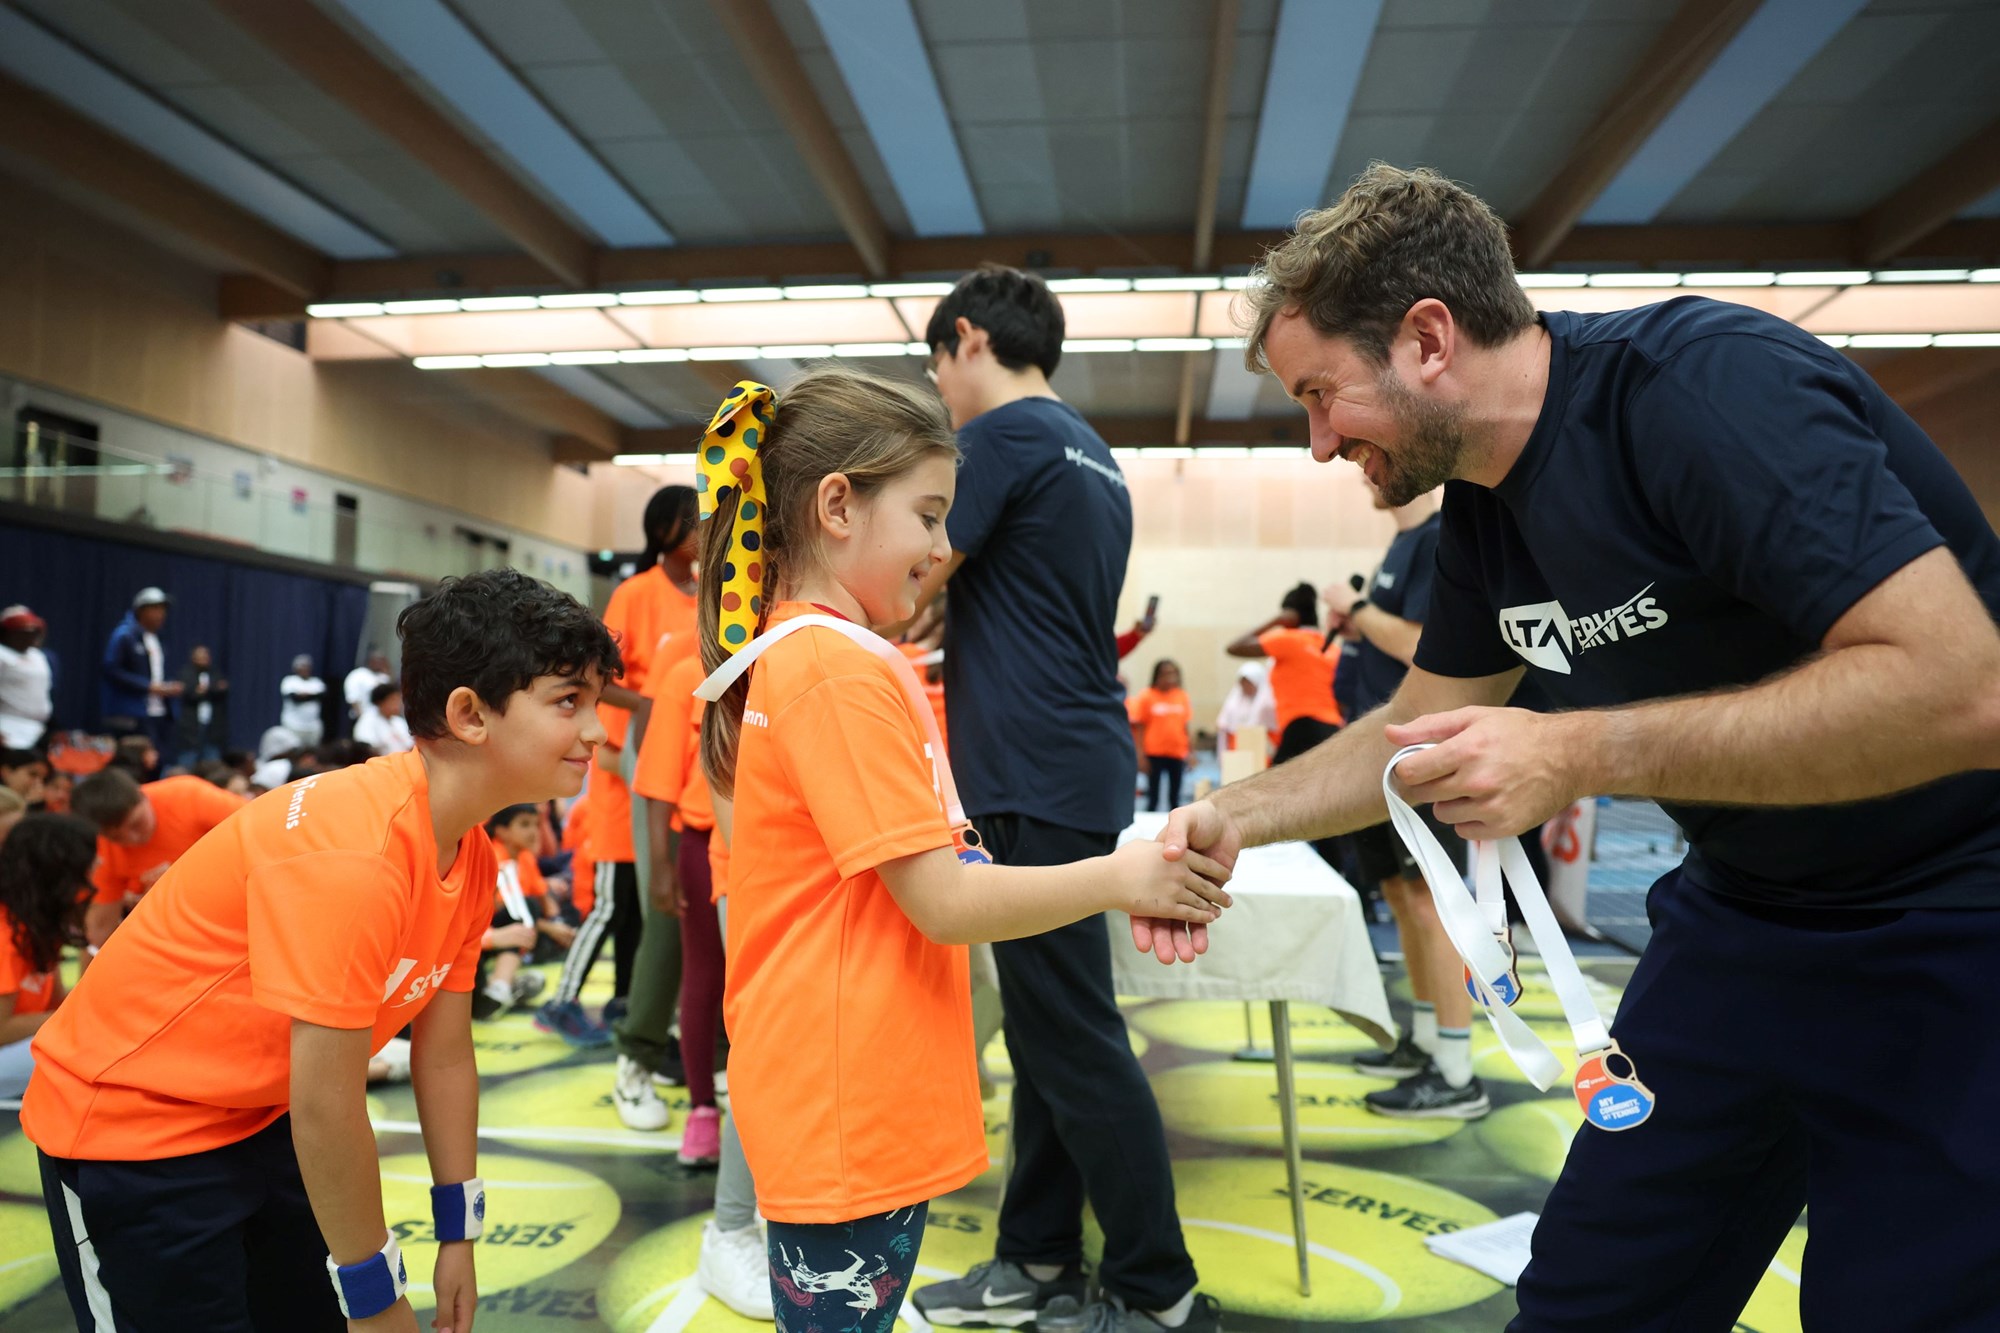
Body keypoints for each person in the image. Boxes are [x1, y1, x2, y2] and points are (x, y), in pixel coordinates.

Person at [1160, 163, 2000, 1331]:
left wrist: (1577, 749)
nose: (1312, 444)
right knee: (1586, 1297)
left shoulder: (1700, 392)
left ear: (1427, 338)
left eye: (1320, 395)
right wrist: (1230, 819)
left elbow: (1960, 687)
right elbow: (1409, 735)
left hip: (1956, 917)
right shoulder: (1483, 518)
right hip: (1744, 918)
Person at [692, 369, 1228, 1333]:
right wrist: (1119, 875)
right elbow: (940, 897)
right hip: (845, 1084)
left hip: (839, 1076)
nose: (945, 547)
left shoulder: (803, 655)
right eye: (929, 515)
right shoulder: (832, 669)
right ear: (839, 505)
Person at [23, 567, 621, 1331]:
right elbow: (328, 1100)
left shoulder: (467, 851)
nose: (597, 729)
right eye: (570, 701)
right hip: (131, 1133)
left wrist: (458, 1232)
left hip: (257, 1114)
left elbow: (443, 1056)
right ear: (470, 714)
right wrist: (374, 1299)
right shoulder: (357, 853)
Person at [906, 267, 1217, 1333]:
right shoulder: (1095, 454)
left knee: (1071, 1034)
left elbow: (914, 576)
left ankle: (1154, 1288)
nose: (939, 387)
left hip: (1028, 763)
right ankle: (1035, 1257)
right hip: (1076, 754)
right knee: (1048, 1033)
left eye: (935, 365)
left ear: (964, 340)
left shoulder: (995, 440)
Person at [1313, 486, 1488, 1117]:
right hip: (1376, 758)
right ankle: (1423, 1040)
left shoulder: (1437, 536)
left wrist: (1356, 608)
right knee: (1398, 895)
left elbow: (1417, 644)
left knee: (1430, 902)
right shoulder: (1402, 542)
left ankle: (1456, 1067)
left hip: (1416, 755)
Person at [537, 485, 699, 1050]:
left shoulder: (710, 598)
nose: (704, 531)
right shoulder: (636, 593)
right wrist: (652, 706)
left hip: (677, 772)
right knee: (611, 903)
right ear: (665, 533)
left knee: (648, 909)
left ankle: (630, 1004)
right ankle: (560, 1003)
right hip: (623, 766)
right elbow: (599, 674)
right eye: (693, 522)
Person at [631, 650, 718, 1144]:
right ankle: (702, 1109)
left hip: (779, 846)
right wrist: (660, 864)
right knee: (703, 977)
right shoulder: (686, 674)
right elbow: (660, 778)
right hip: (703, 844)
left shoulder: (791, 658)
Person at [71, 764, 249, 951]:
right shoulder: (105, 850)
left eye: (136, 824)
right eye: (117, 837)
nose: (133, 838)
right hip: (188, 931)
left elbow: (264, 827)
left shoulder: (189, 796)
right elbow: (100, 928)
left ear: (143, 796)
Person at [0, 814, 94, 1100]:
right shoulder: (7, 933)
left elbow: (57, 1000)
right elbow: (1, 1029)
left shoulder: (36, 918)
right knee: (85, 1044)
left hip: (22, 1044)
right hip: (8, 1048)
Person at [1227, 582, 1342, 762]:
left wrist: (1276, 620)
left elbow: (1234, 647)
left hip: (1301, 726)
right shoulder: (1331, 647)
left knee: (1272, 787)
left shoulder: (1287, 639)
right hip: (1333, 729)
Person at [475, 804, 553, 1019]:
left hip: (476, 937)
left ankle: (500, 988)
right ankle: (502, 988)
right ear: (501, 831)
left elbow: (546, 906)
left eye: (537, 825)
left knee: (527, 916)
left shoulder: (523, 857)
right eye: (525, 825)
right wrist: (493, 938)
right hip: (466, 943)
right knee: (525, 918)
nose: (534, 832)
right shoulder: (489, 854)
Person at [101, 587, 180, 763]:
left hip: (158, 713)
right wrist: (148, 686)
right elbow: (111, 670)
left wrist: (168, 687)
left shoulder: (158, 639)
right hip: (132, 714)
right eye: (155, 608)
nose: (161, 614)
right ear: (140, 610)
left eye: (163, 609)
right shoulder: (124, 635)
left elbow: (157, 674)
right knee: (134, 763)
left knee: (157, 762)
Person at [1128, 660, 1192, 813]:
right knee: (1153, 796)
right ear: (1157, 675)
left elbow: (1186, 726)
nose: (1170, 677)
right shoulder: (1147, 696)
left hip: (1176, 752)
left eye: (1173, 673)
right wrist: (1140, 755)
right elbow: (1140, 727)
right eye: (1166, 673)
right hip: (1154, 752)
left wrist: (1191, 752)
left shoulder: (1181, 696)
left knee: (1175, 797)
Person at [0, 606, 53, 750]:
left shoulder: (39, 656)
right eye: (25, 631)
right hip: (7, 726)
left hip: (38, 729)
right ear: (8, 633)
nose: (31, 636)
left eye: (34, 631)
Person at [174, 645, 230, 770]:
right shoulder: (185, 673)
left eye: (206, 657)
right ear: (193, 659)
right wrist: (206, 690)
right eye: (200, 657)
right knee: (187, 759)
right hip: (191, 727)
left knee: (212, 760)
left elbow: (222, 688)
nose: (203, 660)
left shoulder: (215, 673)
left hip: (213, 727)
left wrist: (204, 690)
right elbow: (187, 692)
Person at [1214, 662, 1276, 749]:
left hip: (1261, 752)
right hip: (1236, 752)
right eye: (1243, 683)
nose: (1246, 686)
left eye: (1249, 683)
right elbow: (1222, 725)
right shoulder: (1233, 704)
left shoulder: (1267, 705)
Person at [279, 655, 327, 748]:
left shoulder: (316, 682)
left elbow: (321, 696)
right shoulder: (289, 681)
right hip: (293, 725)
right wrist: (310, 695)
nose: (305, 669)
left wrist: (304, 695)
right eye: (302, 666)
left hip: (313, 726)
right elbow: (295, 699)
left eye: (307, 666)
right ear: (296, 668)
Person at [353, 681, 415, 754]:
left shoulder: (399, 722)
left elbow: (411, 746)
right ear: (380, 702)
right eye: (393, 700)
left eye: (399, 700)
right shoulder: (367, 721)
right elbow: (366, 750)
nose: (398, 704)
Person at [343, 648, 393, 722]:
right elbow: (352, 698)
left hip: (378, 720)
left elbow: (391, 695)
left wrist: (387, 668)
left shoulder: (383, 677)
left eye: (381, 661)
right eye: (377, 660)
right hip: (360, 717)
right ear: (371, 661)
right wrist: (362, 718)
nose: (379, 664)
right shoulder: (358, 674)